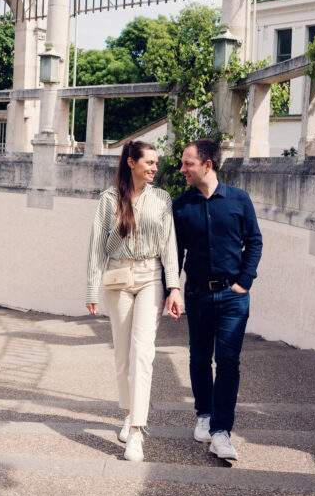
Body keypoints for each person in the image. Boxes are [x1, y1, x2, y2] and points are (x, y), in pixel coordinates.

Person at [86, 140, 183, 462]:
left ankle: (137, 431)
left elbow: (170, 246)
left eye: (156, 163)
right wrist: (91, 288)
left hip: (150, 276)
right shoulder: (108, 200)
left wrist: (174, 287)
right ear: (131, 162)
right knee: (123, 354)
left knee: (143, 352)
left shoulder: (162, 199)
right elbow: (99, 247)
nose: (155, 168)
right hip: (116, 278)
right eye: (150, 162)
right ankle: (128, 413)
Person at [167, 138, 262, 461]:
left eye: (187, 164)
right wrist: (174, 289)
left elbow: (254, 241)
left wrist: (244, 283)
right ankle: (204, 415)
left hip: (232, 296)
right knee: (198, 359)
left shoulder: (239, 199)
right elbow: (174, 252)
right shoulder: (182, 205)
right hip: (196, 293)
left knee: (228, 362)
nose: (182, 169)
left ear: (207, 165)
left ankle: (221, 431)